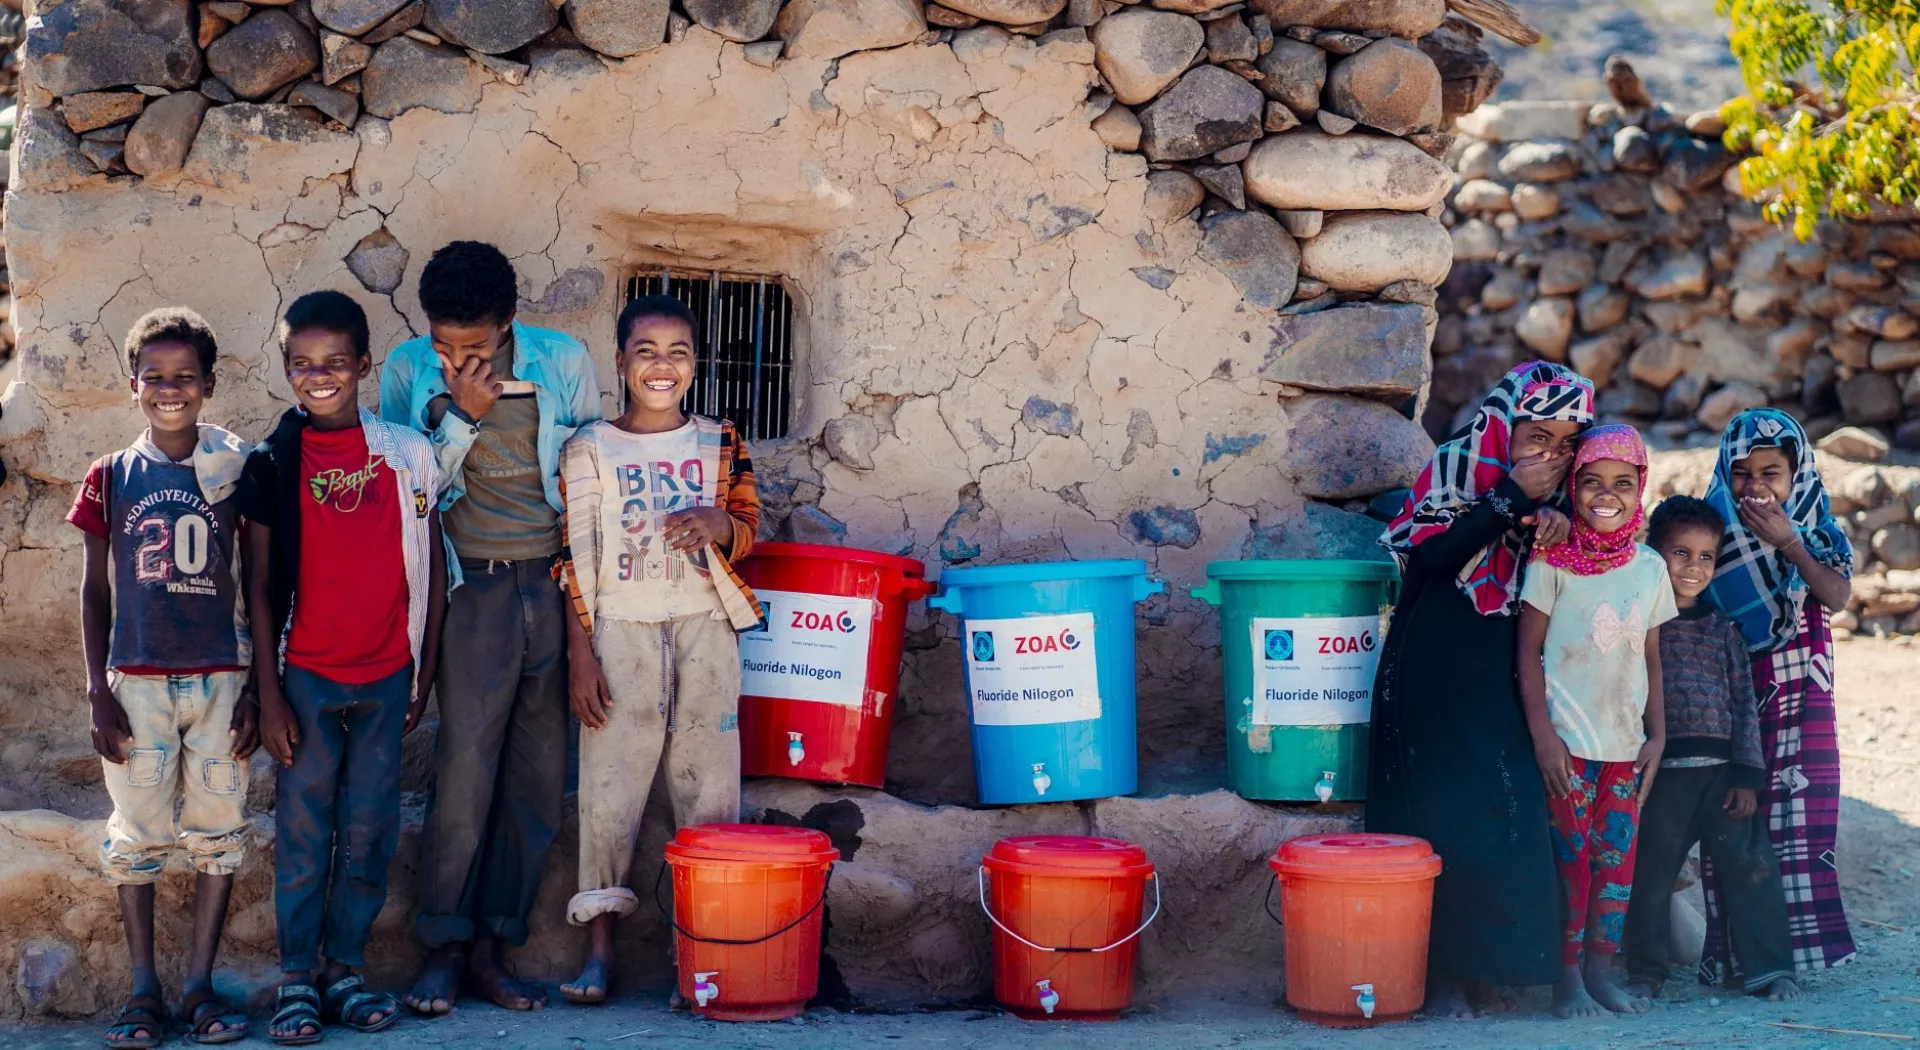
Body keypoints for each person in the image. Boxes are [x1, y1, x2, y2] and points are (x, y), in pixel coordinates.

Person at [378, 241, 602, 1014]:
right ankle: (440, 946)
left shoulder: (562, 360)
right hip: (468, 589)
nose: (454, 358)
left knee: (538, 780)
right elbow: (407, 488)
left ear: (508, 326)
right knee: (465, 772)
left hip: (548, 582)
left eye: (473, 347)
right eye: (443, 343)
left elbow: (589, 479)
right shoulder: (409, 371)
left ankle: (490, 949)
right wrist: (462, 421)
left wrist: (581, 625)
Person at [240, 291, 447, 1044]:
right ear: (287, 368)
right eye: (303, 364)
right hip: (308, 679)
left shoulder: (405, 453)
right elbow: (258, 590)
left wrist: (424, 671)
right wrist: (269, 695)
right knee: (302, 830)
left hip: (388, 674)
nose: (319, 376)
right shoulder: (271, 463)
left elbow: (429, 566)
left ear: (364, 365)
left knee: (370, 829)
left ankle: (346, 969)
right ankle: (298, 975)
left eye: (335, 363)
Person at [553, 295, 763, 1006]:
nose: (662, 365)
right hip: (622, 631)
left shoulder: (717, 440)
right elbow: (573, 558)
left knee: (708, 787)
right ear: (620, 362)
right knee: (609, 786)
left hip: (705, 626)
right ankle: (600, 952)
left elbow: (749, 527)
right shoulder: (589, 448)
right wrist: (582, 654)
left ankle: (704, 955)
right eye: (646, 350)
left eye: (678, 351)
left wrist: (718, 522)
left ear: (697, 364)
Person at [1369, 360, 1592, 1019]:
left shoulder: (1555, 498)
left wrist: (1553, 524)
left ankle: (1490, 972)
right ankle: (1434, 975)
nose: (1550, 454)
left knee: (1500, 809)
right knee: (1435, 814)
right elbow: (1434, 554)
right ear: (1505, 427)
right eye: (1536, 436)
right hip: (1433, 664)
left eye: (1565, 442)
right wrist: (1513, 500)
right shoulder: (1457, 467)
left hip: (1502, 667)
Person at [70, 309, 257, 1047]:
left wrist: (260, 688)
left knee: (219, 831)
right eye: (155, 377)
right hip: (136, 683)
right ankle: (143, 990)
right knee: (137, 835)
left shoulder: (237, 475)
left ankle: (200, 987)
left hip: (219, 679)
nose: (170, 390)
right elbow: (94, 591)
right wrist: (96, 689)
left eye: (185, 378)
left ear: (209, 385)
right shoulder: (111, 476)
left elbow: (264, 579)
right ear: (133, 385)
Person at [1517, 423, 1676, 1019]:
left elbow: (1652, 659)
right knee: (1571, 864)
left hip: (1626, 746)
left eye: (1622, 482)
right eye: (1590, 481)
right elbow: (1526, 654)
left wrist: (1657, 737)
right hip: (1568, 746)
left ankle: (1603, 973)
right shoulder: (1551, 562)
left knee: (1617, 864)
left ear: (1642, 489)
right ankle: (1566, 980)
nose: (1605, 494)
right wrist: (1542, 738)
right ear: (1573, 487)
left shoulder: (1651, 567)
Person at [1625, 496, 1800, 1003]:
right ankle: (1646, 973)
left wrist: (1748, 774)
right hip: (1663, 777)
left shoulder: (1722, 629)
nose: (1693, 567)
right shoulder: (1638, 625)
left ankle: (1771, 969)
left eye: (1705, 556)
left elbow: (1745, 703)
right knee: (1651, 874)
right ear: (1653, 553)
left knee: (1753, 867)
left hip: (1724, 776)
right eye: (1680, 553)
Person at [1700, 408, 1855, 979]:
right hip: (1731, 696)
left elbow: (1835, 596)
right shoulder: (1706, 531)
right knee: (1737, 820)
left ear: (1797, 475)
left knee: (1801, 820)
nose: (1755, 486)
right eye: (1741, 473)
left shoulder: (1815, 527)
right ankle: (1736, 956)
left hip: (1802, 694)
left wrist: (1790, 543)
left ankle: (1796, 955)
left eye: (1771, 472)